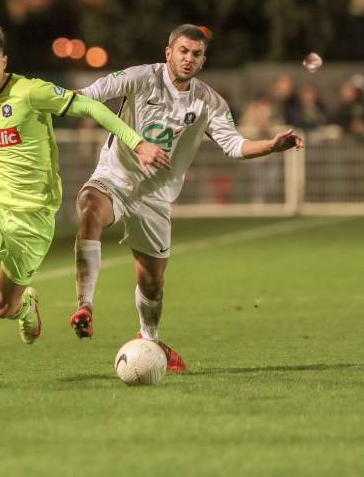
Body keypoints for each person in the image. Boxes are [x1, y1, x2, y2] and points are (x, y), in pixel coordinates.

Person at [0, 23, 170, 387]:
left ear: (5, 62)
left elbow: (93, 108)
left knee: (3, 307)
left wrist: (137, 143)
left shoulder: (32, 92)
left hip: (34, 216)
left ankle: (26, 307)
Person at [68, 24, 303, 372]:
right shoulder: (139, 78)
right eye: (183, 51)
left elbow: (234, 145)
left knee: (152, 282)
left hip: (156, 198)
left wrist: (271, 145)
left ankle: (149, 340)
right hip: (114, 178)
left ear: (203, 60)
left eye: (196, 54)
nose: (188, 58)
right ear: (169, 53)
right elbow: (86, 95)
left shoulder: (208, 101)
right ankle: (85, 305)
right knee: (90, 208)